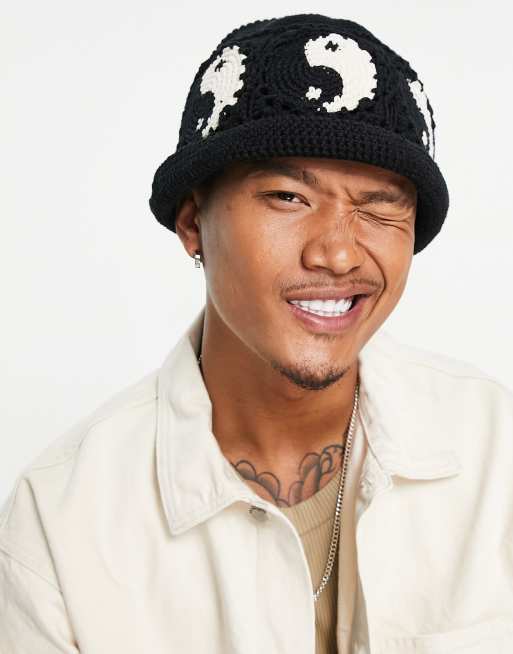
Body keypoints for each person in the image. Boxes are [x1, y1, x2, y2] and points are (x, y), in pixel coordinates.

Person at [1, 12, 512, 654]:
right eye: (287, 197)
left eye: (380, 207)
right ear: (193, 222)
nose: (338, 254)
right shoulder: (60, 525)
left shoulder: (496, 456)